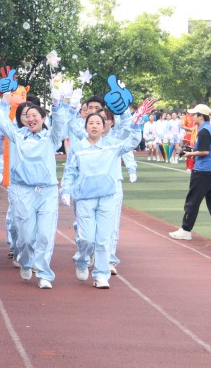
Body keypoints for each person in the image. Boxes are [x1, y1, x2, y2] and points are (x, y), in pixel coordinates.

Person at [0, 85, 68, 289]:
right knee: (25, 236)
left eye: (35, 116)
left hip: (47, 191)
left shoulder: (51, 138)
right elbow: (2, 122)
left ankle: (44, 274)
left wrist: (57, 104)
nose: (31, 119)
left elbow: (60, 125)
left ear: (43, 118)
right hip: (23, 190)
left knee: (45, 234)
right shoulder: (18, 135)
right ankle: (25, 261)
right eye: (28, 116)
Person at [61, 110, 139, 288]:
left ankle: (101, 275)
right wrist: (66, 190)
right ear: (86, 127)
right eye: (91, 123)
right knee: (87, 239)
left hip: (107, 197)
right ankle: (82, 260)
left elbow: (132, 142)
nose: (94, 126)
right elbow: (70, 171)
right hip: (85, 198)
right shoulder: (78, 148)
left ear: (104, 127)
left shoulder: (112, 145)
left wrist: (135, 126)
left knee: (104, 239)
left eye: (98, 123)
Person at [168, 104, 211, 241]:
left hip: (203, 170)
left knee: (193, 201)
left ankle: (186, 230)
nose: (192, 117)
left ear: (201, 116)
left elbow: (204, 151)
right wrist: (191, 150)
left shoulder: (204, 131)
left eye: (194, 114)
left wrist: (189, 154)